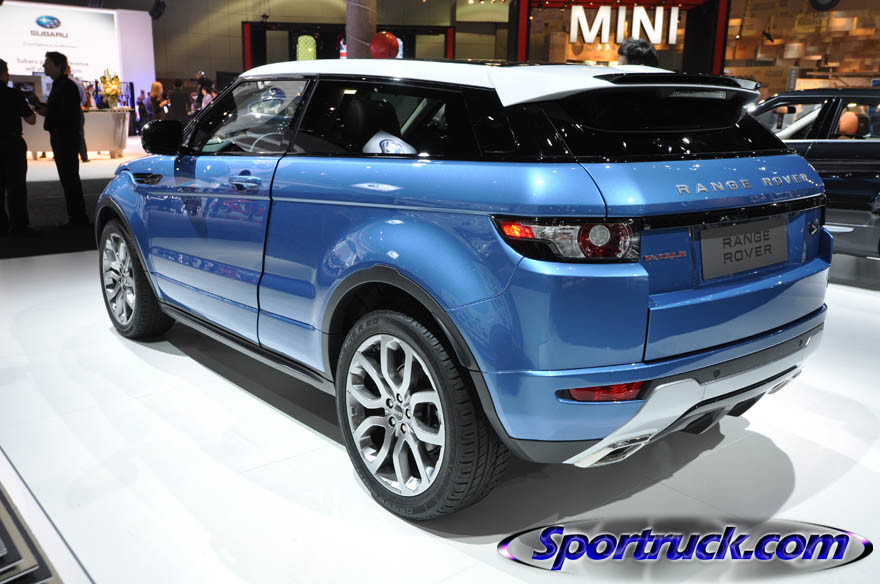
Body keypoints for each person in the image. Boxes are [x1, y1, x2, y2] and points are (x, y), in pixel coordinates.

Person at [32, 51, 89, 228]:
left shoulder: (66, 86)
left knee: (69, 178)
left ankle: (78, 218)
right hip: (63, 138)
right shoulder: (61, 85)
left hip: (65, 139)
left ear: (57, 66)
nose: (44, 66)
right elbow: (59, 110)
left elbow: (65, 114)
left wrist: (46, 111)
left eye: (47, 63)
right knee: (69, 179)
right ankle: (77, 217)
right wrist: (42, 107)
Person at [0, 58, 37, 236]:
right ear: (3, 74)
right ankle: (19, 226)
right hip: (12, 143)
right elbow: (31, 119)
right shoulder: (13, 94)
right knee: (16, 187)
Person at [67, 65, 89, 162]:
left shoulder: (63, 83)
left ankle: (71, 158)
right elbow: (84, 100)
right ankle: (84, 157)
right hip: (77, 111)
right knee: (80, 135)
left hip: (69, 112)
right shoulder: (77, 82)